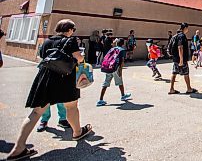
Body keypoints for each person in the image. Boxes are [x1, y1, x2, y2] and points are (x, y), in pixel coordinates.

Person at [7, 19, 92, 160]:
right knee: (71, 107)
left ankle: (18, 147)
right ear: (69, 30)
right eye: (73, 29)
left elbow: (43, 57)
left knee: (36, 112)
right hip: (65, 78)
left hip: (45, 77)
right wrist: (81, 59)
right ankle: (77, 132)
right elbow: (79, 58)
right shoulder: (70, 41)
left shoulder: (47, 42)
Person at [96, 38, 132, 106]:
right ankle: (123, 96)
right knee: (120, 82)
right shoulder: (122, 50)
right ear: (123, 44)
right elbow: (122, 61)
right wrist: (120, 70)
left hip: (109, 67)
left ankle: (100, 100)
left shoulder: (112, 49)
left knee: (106, 83)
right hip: (116, 68)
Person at [169, 23, 197, 95]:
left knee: (174, 73)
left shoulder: (175, 36)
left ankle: (171, 89)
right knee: (186, 73)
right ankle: (189, 88)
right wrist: (181, 59)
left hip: (175, 58)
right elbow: (180, 47)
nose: (188, 30)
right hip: (181, 59)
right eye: (187, 28)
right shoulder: (182, 36)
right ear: (185, 28)